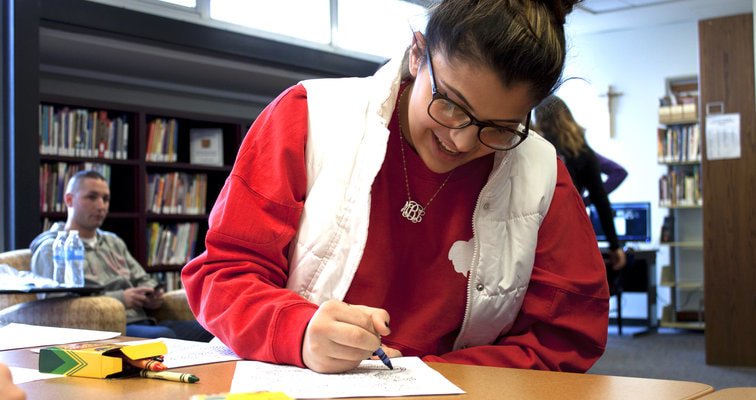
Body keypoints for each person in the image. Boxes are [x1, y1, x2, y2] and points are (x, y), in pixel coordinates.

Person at [183, 0, 609, 374]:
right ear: (417, 53)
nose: (461, 140)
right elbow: (224, 275)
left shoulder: (541, 175)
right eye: (451, 104)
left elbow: (566, 336)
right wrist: (298, 330)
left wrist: (441, 377)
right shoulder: (309, 116)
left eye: (499, 129)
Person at [30, 170, 212, 342]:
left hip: (144, 320)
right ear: (69, 200)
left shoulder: (113, 242)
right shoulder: (51, 248)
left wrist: (151, 293)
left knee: (213, 332)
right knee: (164, 336)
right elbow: (58, 303)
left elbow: (142, 278)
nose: (101, 206)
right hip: (104, 329)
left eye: (105, 199)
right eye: (92, 197)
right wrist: (121, 298)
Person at [534, 96, 627, 270]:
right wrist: (614, 245)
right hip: (569, 231)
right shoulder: (582, 152)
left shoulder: (534, 150)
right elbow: (601, 200)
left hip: (537, 232)